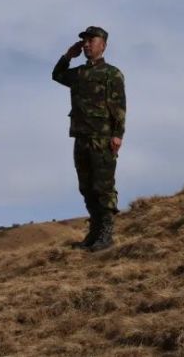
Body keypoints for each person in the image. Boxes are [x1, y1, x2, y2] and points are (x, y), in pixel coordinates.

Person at [52, 25, 126, 252]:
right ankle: (94, 233)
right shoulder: (79, 74)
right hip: (81, 137)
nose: (86, 44)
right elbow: (57, 75)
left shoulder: (112, 73)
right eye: (84, 41)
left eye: (90, 40)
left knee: (103, 186)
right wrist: (67, 56)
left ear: (102, 44)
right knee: (86, 187)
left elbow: (120, 106)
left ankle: (106, 233)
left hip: (102, 137)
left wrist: (117, 135)